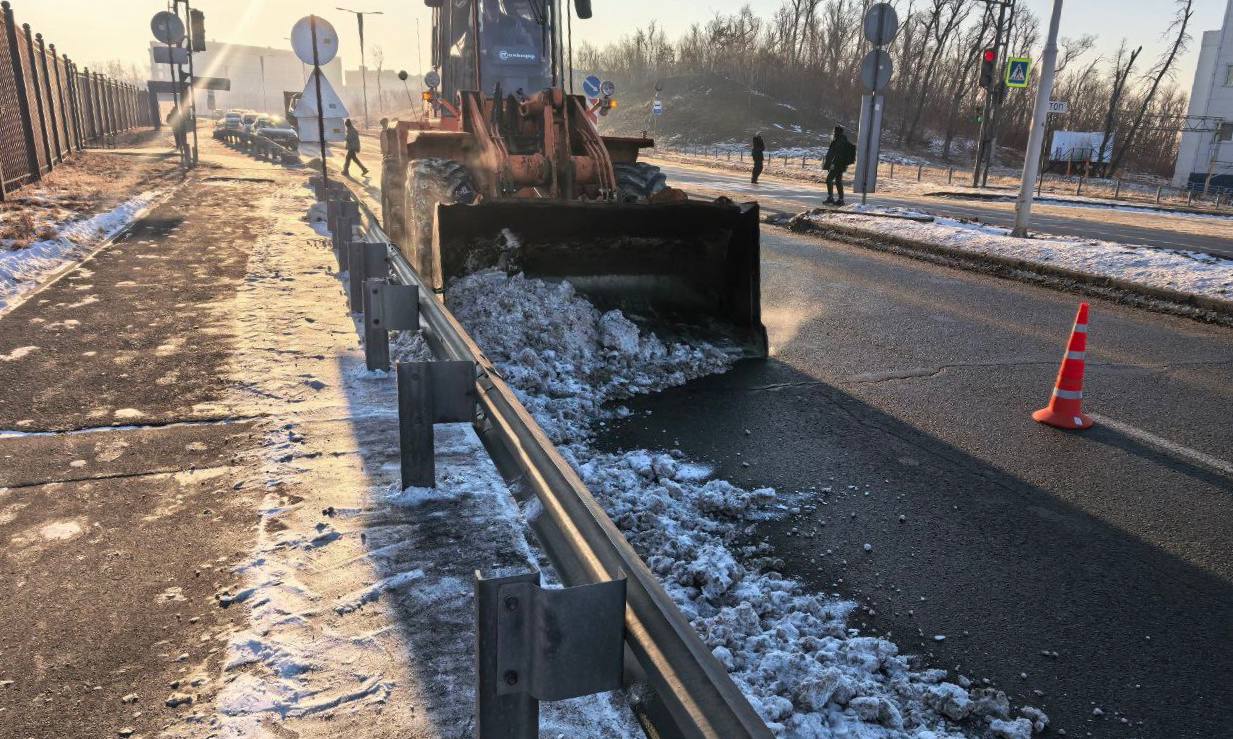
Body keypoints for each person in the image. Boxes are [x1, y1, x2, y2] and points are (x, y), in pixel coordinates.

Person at [824, 125, 855, 205]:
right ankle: (840, 199)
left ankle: (831, 198)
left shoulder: (838, 141)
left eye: (834, 131)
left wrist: (831, 164)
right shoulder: (842, 140)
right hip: (841, 165)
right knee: (838, 181)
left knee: (829, 180)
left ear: (837, 132)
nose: (833, 133)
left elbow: (835, 154)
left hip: (837, 164)